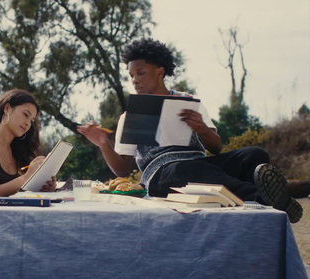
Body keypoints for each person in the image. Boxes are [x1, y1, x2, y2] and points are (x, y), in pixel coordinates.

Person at [78, 38, 303, 223]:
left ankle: (266, 194)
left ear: (160, 71)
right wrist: (103, 144)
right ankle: (263, 197)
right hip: (162, 176)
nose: (135, 80)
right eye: (131, 76)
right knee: (185, 171)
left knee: (255, 155)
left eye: (141, 73)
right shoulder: (132, 115)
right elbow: (122, 169)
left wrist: (201, 128)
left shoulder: (187, 102)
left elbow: (216, 148)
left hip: (200, 166)